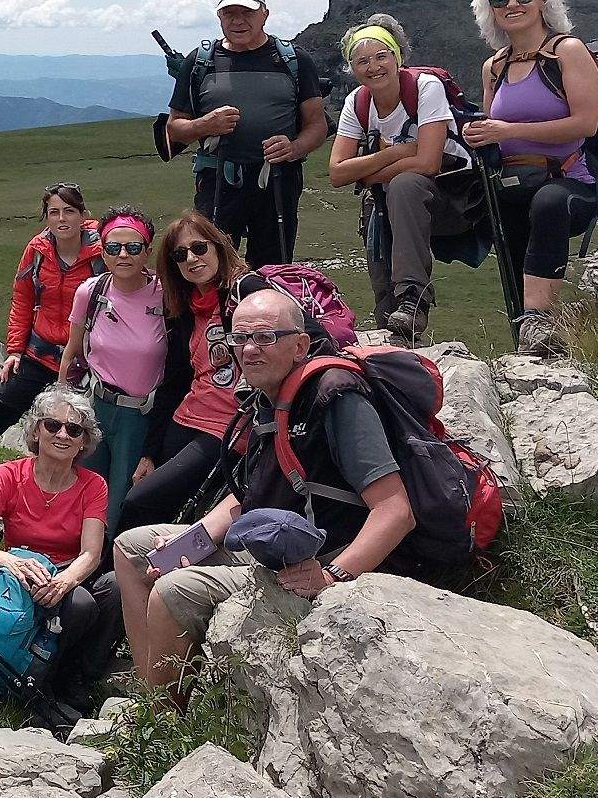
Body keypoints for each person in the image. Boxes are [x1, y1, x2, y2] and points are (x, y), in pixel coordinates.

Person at [115, 289, 415, 704]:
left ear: (300, 346)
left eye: (265, 337)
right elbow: (245, 495)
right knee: (131, 549)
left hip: (315, 560)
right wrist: (191, 541)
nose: (249, 350)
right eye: (239, 339)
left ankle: (164, 719)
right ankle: (148, 689)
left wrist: (332, 576)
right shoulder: (267, 398)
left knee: (174, 590)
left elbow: (395, 510)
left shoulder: (335, 396)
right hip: (266, 541)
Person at [460, 0, 598, 357]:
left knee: (548, 203)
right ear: (490, 10)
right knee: (509, 234)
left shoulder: (567, 52)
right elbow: (493, 127)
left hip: (568, 184)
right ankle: (533, 341)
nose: (512, 4)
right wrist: (480, 135)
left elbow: (586, 124)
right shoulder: (495, 67)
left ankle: (539, 322)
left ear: (542, 1)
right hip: (513, 183)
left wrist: (508, 131)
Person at [0, 388, 122, 715]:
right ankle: (35, 676)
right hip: (18, 571)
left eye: (74, 430)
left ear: (83, 442)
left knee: (116, 588)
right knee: (80, 606)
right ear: (36, 431)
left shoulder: (94, 485)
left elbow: (91, 553)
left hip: (65, 572)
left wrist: (65, 581)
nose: (62, 434)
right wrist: (12, 562)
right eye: (52, 425)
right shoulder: (7, 475)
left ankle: (76, 674)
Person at [327, 15, 477, 345]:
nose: (373, 67)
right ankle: (394, 333)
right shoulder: (357, 102)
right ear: (352, 68)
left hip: (451, 197)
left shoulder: (426, 87)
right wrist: (397, 153)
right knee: (387, 198)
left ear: (398, 57)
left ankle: (413, 300)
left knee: (405, 184)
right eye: (362, 61)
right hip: (387, 202)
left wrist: (366, 173)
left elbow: (427, 162)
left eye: (381, 56)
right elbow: (336, 172)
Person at [118, 213, 272, 532]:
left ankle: (112, 564)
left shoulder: (246, 290)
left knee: (140, 502)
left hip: (229, 426)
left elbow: (292, 336)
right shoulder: (186, 307)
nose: (191, 258)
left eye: (199, 248)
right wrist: (149, 453)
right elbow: (174, 382)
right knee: (153, 504)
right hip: (187, 417)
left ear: (217, 246)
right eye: (180, 254)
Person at [157, 0, 327, 266]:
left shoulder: (295, 60)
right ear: (219, 17)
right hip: (216, 181)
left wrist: (294, 148)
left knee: (273, 265)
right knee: (212, 264)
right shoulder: (199, 62)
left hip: (278, 180)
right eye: (229, 13)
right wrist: (205, 125)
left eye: (247, 12)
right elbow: (174, 128)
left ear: (264, 14)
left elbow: (317, 125)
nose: (238, 21)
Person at [0, 184, 93, 490]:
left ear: (83, 215)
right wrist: (14, 350)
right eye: (54, 212)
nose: (62, 219)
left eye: (69, 211)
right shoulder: (37, 250)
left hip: (85, 364)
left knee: (76, 438)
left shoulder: (103, 251)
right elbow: (22, 299)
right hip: (39, 355)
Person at [60, 207, 167, 529]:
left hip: (141, 415)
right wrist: (62, 406)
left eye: (133, 247)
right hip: (94, 407)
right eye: (113, 247)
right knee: (83, 490)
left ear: (147, 251)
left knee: (122, 498)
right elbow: (72, 351)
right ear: (102, 251)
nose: (123, 255)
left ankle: (111, 555)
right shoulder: (90, 292)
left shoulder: (166, 294)